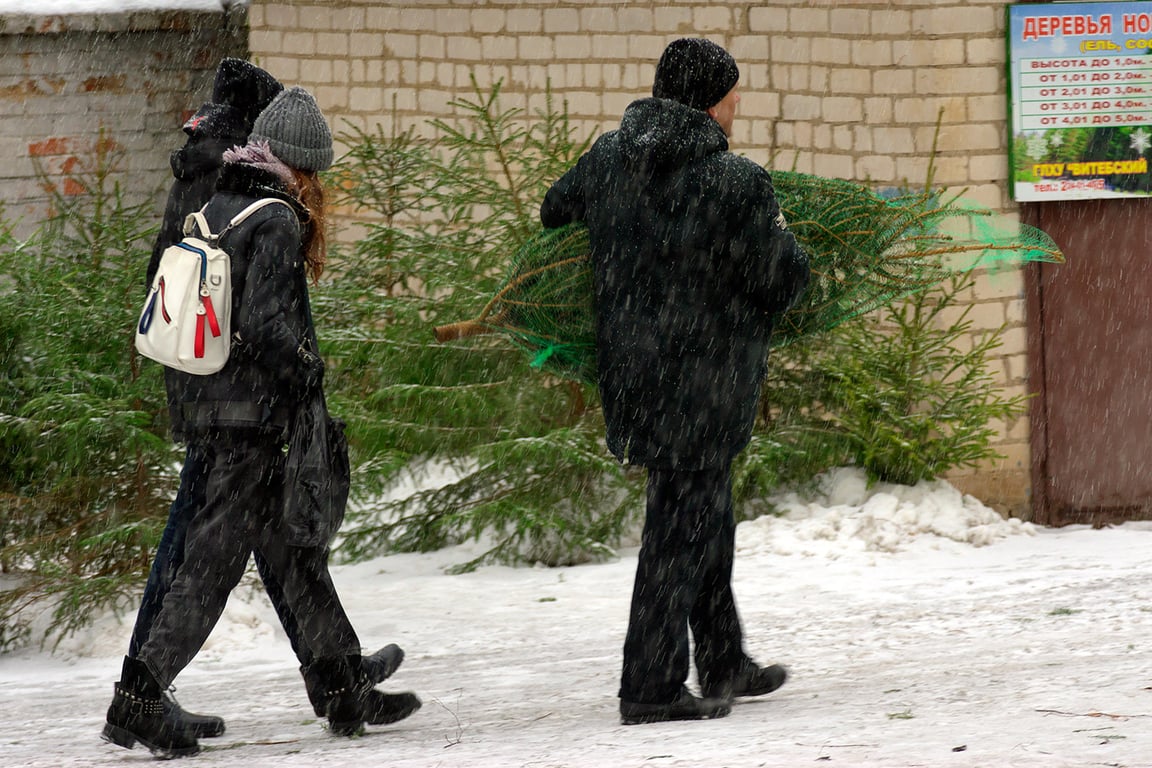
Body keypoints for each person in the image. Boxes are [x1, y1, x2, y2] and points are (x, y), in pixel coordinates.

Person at [103, 86, 420, 758]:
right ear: (300, 166)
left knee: (292, 554)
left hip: (217, 406)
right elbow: (267, 327)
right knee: (211, 565)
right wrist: (309, 370)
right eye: (318, 173)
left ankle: (341, 687)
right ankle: (139, 696)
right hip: (254, 421)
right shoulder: (274, 219)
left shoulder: (225, 201)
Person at [540, 38, 810, 725]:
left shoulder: (609, 159)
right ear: (708, 102)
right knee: (678, 529)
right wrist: (792, 247)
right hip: (705, 385)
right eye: (730, 97)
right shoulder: (737, 183)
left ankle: (723, 660)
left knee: (703, 515)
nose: (736, 107)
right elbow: (779, 282)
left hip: (633, 380)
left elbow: (553, 209)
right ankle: (650, 686)